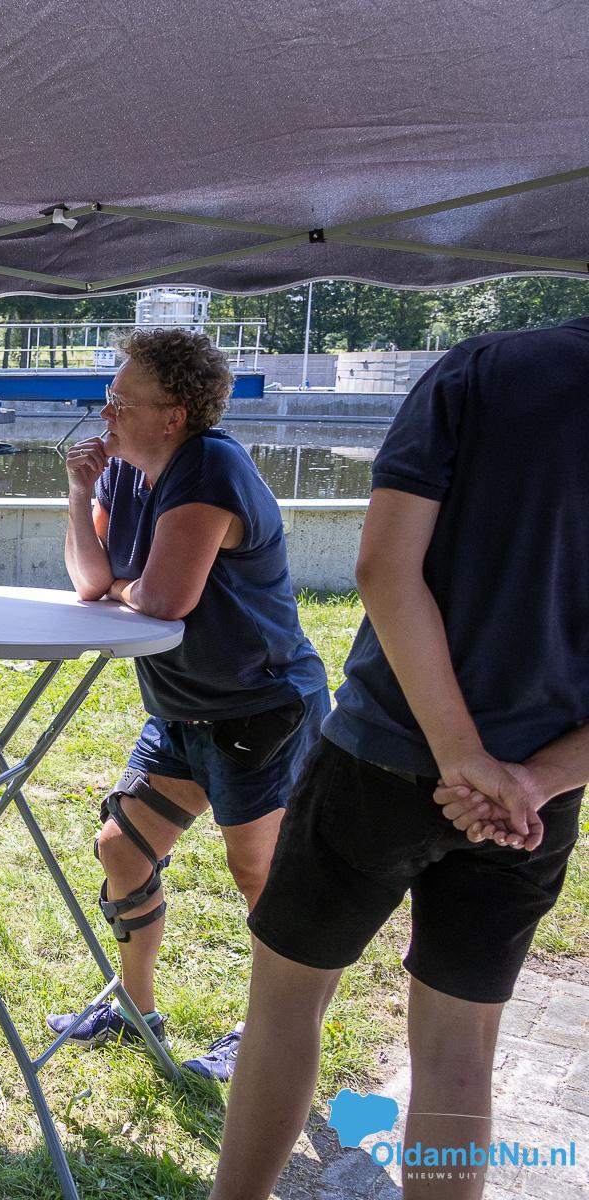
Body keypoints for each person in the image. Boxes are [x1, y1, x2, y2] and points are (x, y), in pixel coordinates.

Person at [211, 318, 589, 1200]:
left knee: (285, 1010)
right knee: (461, 1054)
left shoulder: (486, 369)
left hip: (382, 757)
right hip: (532, 803)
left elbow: (384, 567)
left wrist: (459, 755)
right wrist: (530, 781)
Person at [50, 328, 330, 1081]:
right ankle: (134, 1011)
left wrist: (126, 588)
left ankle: (270, 1032)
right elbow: (91, 581)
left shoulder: (209, 465)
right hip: (184, 711)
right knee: (122, 849)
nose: (106, 413)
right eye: (107, 397)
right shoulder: (124, 473)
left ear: (173, 415)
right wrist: (79, 495)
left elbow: (166, 598)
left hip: (260, 709)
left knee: (260, 876)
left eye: (121, 400)